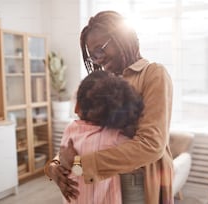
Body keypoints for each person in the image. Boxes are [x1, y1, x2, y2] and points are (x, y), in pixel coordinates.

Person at [44, 10, 174, 204]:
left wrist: (79, 164)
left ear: (121, 37)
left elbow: (151, 145)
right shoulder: (104, 82)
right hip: (100, 183)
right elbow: (82, 134)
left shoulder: (152, 74)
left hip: (137, 181)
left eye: (100, 50)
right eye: (92, 56)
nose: (98, 60)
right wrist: (54, 167)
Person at [56, 70, 144, 203]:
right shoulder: (116, 138)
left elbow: (64, 161)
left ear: (79, 106)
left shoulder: (71, 129)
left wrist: (70, 164)